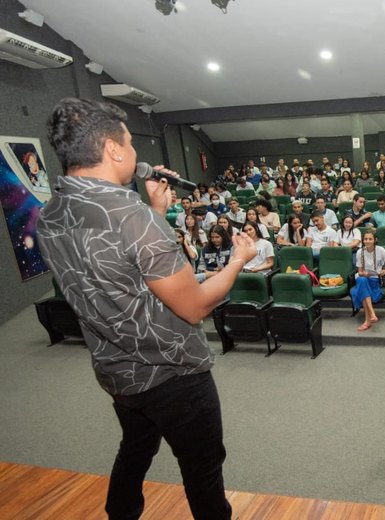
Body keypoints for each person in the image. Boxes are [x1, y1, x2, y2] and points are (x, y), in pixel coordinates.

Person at [38, 97, 258, 519]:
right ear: (113, 150)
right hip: (172, 373)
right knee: (202, 468)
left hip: (116, 369)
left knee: (135, 450)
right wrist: (236, 261)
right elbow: (193, 307)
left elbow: (111, 272)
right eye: (131, 144)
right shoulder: (131, 217)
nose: (137, 155)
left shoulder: (52, 211)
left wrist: (155, 210)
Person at [352, 229, 385, 331]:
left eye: (370, 239)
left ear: (375, 240)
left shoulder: (381, 250)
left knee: (362, 286)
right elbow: (360, 271)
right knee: (362, 279)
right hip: (364, 278)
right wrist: (363, 273)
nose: (367, 241)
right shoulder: (359, 252)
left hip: (375, 280)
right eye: (365, 239)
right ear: (363, 240)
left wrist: (384, 272)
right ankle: (372, 314)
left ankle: (368, 320)